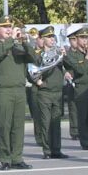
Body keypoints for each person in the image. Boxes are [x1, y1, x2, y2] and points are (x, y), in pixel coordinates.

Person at [0, 16, 37, 169]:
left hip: (19, 89)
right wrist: (11, 40)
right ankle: (5, 158)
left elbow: (33, 57)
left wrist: (25, 40)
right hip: (4, 90)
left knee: (18, 126)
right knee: (4, 125)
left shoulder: (17, 47)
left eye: (10, 27)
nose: (9, 30)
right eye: (5, 27)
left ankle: (17, 157)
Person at [31, 26, 68, 159]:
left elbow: (69, 67)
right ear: (43, 39)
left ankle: (56, 150)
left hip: (57, 92)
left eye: (53, 37)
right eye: (49, 37)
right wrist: (39, 82)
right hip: (45, 92)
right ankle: (47, 151)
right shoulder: (38, 54)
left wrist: (65, 55)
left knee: (56, 122)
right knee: (45, 122)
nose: (52, 39)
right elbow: (31, 70)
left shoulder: (58, 53)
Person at [63, 25, 88, 151]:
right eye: (82, 38)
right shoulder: (71, 55)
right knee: (82, 117)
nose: (85, 41)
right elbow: (81, 70)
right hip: (81, 87)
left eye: (86, 38)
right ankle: (85, 142)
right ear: (76, 40)